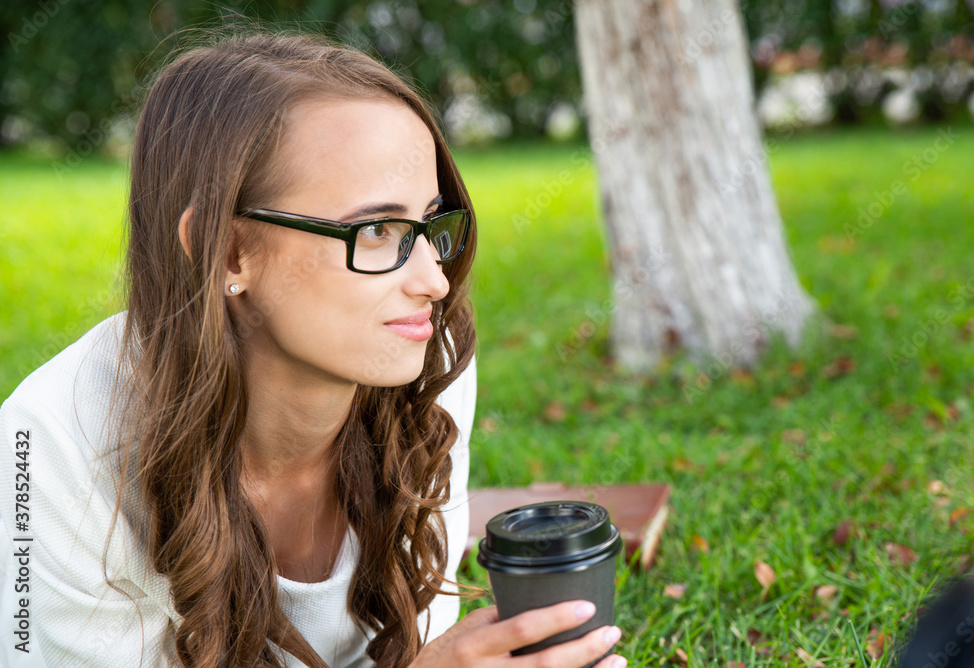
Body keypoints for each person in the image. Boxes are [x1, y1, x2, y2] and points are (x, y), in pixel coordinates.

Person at [0, 29, 626, 668]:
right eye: (378, 230)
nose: (435, 281)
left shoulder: (421, 363)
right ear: (226, 252)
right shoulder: (50, 449)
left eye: (433, 223)